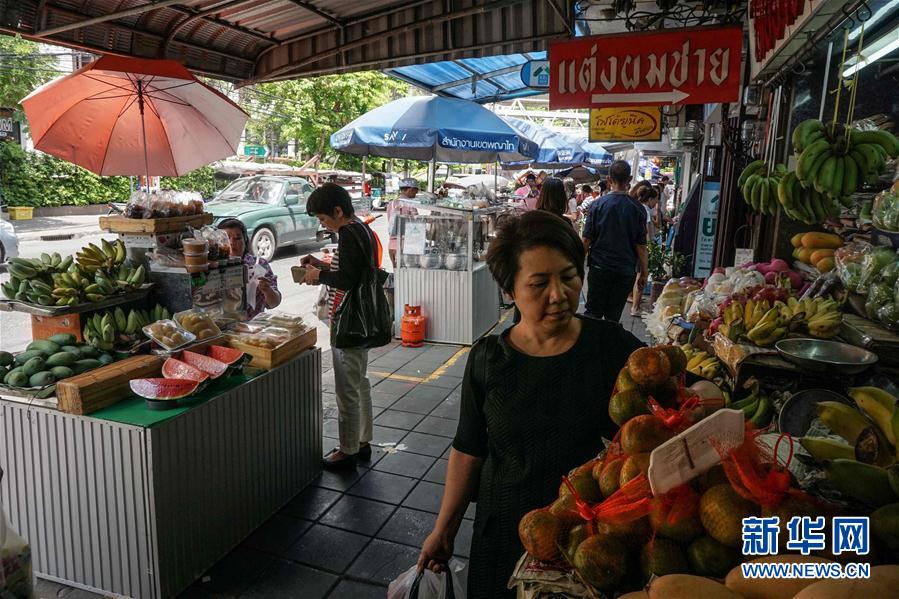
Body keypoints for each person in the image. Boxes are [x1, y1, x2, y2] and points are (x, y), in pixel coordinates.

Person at [417, 210, 644, 598]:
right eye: (539, 284)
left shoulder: (615, 349)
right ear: (509, 291)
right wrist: (445, 529)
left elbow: (673, 404)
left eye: (569, 277)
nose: (558, 295)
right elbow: (468, 449)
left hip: (591, 542)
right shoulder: (488, 359)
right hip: (504, 533)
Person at [299, 183, 380, 469]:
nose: (323, 224)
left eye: (323, 218)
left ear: (337, 210)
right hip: (362, 320)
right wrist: (319, 263)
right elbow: (351, 268)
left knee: (347, 388)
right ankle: (363, 440)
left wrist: (316, 276)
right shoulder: (362, 229)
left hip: (348, 321)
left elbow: (345, 279)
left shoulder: (347, 232)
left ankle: (348, 450)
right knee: (360, 383)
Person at [582, 160, 648, 321]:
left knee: (592, 314)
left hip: (599, 268)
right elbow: (641, 246)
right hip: (624, 271)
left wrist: (577, 267)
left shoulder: (597, 205)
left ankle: (592, 345)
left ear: (609, 180)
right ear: (630, 179)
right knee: (613, 317)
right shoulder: (638, 209)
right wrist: (644, 273)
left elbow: (586, 241)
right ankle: (609, 345)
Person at [217, 218, 281, 318]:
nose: (232, 242)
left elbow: (274, 303)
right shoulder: (213, 269)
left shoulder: (259, 265)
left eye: (238, 238)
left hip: (253, 328)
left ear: (245, 241)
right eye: (226, 238)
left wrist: (267, 290)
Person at [387, 178, 419, 267]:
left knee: (397, 273)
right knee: (406, 276)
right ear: (410, 189)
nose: (416, 194)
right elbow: (416, 223)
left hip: (392, 245)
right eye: (415, 191)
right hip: (405, 246)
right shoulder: (409, 204)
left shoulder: (391, 203)